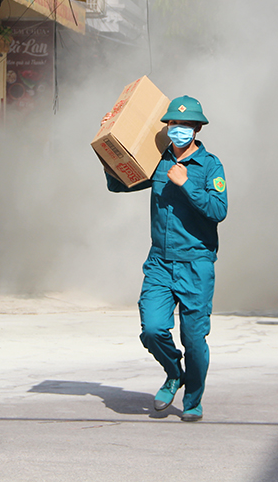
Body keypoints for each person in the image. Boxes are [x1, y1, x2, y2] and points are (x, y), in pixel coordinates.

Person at [103, 95, 227, 422]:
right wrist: (108, 150)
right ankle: (175, 372)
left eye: (185, 125)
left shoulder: (211, 166)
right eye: (173, 124)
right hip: (159, 262)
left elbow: (219, 210)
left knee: (194, 340)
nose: (179, 130)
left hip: (196, 263)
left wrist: (187, 185)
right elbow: (120, 184)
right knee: (152, 329)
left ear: (197, 128)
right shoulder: (157, 161)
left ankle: (193, 401)